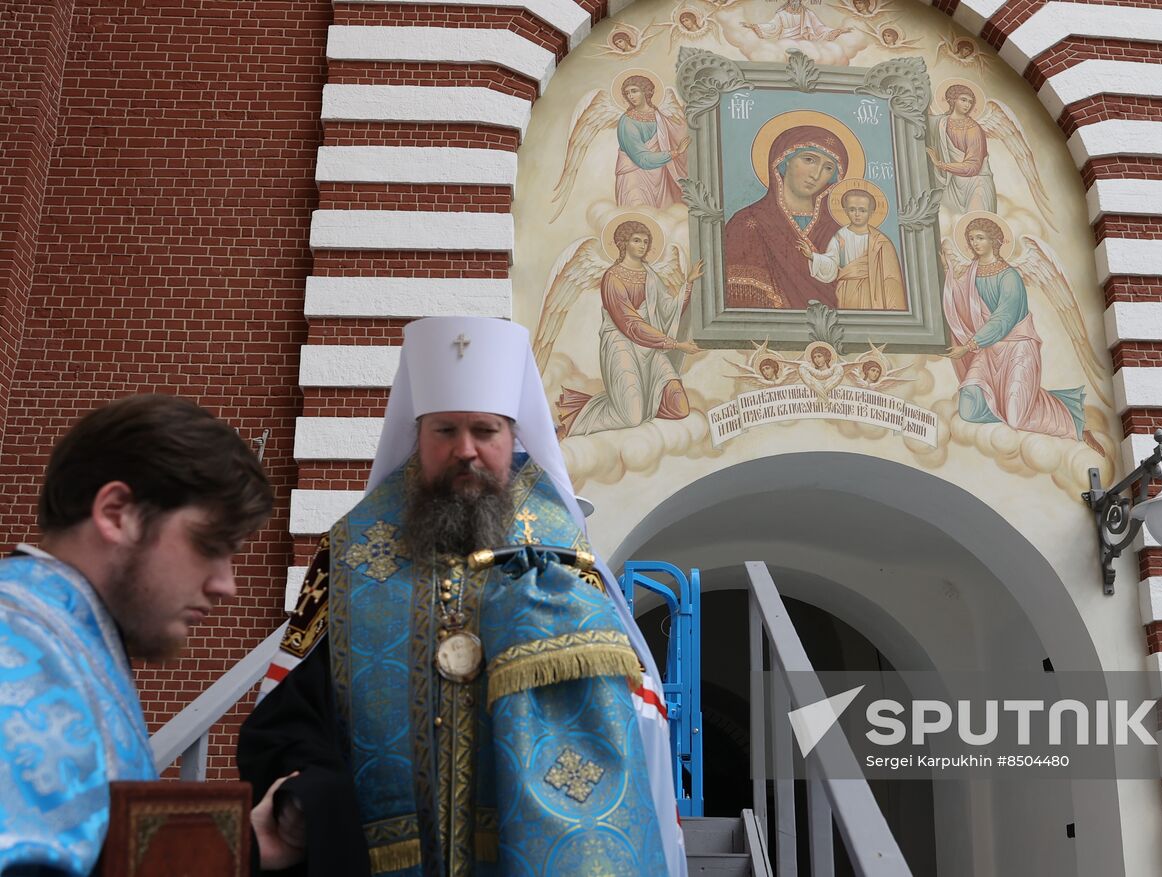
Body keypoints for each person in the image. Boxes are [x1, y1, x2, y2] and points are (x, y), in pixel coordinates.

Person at [238, 317, 684, 877]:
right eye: (445, 431)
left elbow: (629, 726)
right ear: (416, 434)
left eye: (485, 430)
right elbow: (288, 718)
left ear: (513, 436)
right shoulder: (352, 554)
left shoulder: (559, 555)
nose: (465, 450)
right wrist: (310, 797)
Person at [0, 394, 275, 874]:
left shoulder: (67, 637)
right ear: (117, 513)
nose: (227, 585)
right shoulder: (18, 642)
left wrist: (245, 845)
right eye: (209, 544)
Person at [943, 218, 1106, 456]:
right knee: (969, 408)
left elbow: (1004, 317)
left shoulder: (1009, 276)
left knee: (1017, 417)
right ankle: (1020, 398)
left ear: (994, 240)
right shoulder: (970, 273)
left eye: (980, 238)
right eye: (971, 239)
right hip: (988, 350)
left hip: (1017, 347)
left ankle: (1072, 419)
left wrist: (968, 347)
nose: (974, 243)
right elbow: (958, 300)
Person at [557, 220, 704, 436]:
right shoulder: (612, 278)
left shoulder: (650, 275)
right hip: (621, 345)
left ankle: (637, 399)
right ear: (623, 243)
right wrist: (676, 344)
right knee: (631, 418)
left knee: (679, 406)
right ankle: (578, 415)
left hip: (649, 347)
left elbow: (668, 310)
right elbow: (630, 324)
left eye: (646, 241)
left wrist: (688, 284)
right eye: (637, 240)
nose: (642, 245)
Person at [724, 124, 849, 309]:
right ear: (784, 159)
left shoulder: (838, 231)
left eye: (828, 168)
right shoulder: (746, 222)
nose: (816, 174)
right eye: (809, 159)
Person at [808, 186, 907, 311]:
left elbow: (891, 278)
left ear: (871, 212)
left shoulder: (880, 241)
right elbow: (832, 263)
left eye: (862, 210)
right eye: (852, 209)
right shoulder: (840, 236)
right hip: (847, 291)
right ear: (845, 211)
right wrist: (813, 257)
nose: (857, 214)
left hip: (872, 290)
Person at [615, 74, 690, 210]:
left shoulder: (658, 116)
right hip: (634, 177)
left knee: (663, 219)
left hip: (659, 175)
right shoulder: (626, 121)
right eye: (627, 93)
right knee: (639, 213)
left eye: (634, 91)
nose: (630, 96)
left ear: (646, 91)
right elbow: (641, 158)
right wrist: (675, 153)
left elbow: (676, 133)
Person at [927, 83, 997, 218]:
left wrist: (941, 164)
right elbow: (923, 119)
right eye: (963, 100)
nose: (967, 105)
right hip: (951, 183)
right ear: (952, 100)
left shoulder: (973, 129)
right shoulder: (940, 122)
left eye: (970, 102)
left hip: (976, 186)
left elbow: (973, 167)